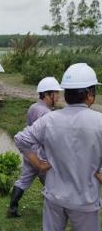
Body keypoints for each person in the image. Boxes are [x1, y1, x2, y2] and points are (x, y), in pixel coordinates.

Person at [14, 63, 102, 230]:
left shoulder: (50, 120)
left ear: (66, 94)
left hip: (54, 197)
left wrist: (38, 164)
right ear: (90, 94)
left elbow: (21, 139)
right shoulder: (99, 122)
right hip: (84, 201)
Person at [7, 77, 62, 218]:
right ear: (48, 95)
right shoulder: (48, 114)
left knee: (23, 180)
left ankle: (12, 209)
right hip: (42, 155)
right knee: (51, 184)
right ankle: (51, 214)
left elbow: (28, 129)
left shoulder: (33, 107)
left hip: (29, 152)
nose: (59, 96)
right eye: (56, 93)